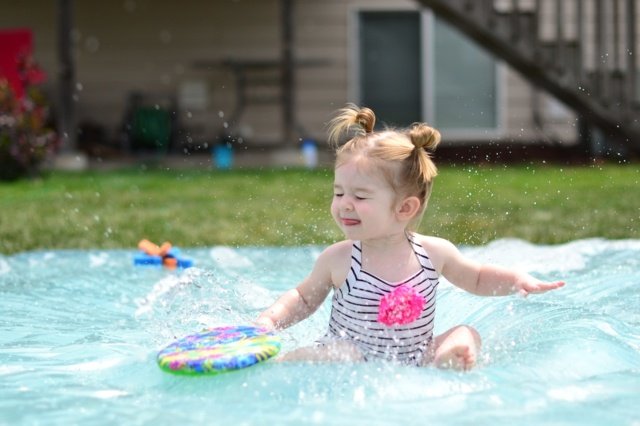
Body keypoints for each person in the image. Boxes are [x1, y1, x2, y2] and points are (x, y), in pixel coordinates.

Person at [256, 104, 564, 370]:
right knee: (345, 355)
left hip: (415, 358)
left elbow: (479, 278)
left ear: (405, 208)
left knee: (466, 332)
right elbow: (304, 298)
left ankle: (447, 359)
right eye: (339, 192)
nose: (344, 203)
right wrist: (269, 321)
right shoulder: (341, 258)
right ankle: (290, 361)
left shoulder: (434, 253)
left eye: (361, 196)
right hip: (348, 359)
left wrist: (517, 280)